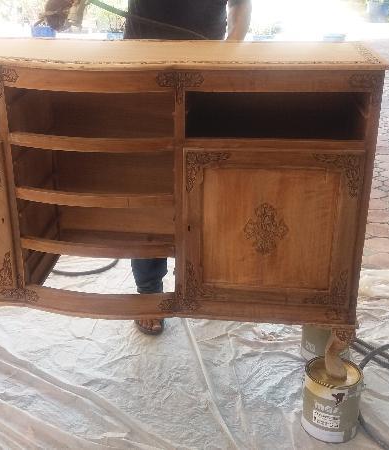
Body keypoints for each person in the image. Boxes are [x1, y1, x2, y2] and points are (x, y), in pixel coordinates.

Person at [124, 0, 252, 335]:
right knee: (148, 182)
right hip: (142, 64)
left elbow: (241, 5)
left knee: (206, 179)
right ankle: (149, 291)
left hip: (205, 67)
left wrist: (228, 52)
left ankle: (210, 282)